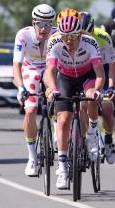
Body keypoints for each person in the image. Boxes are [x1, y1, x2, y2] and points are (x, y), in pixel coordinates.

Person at [44, 13, 105, 189]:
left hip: (87, 76)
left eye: (72, 37)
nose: (68, 41)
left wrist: (96, 90)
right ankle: (62, 167)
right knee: (63, 120)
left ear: (79, 35)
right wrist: (53, 89)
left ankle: (93, 132)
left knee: (90, 99)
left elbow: (100, 73)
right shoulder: (55, 42)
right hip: (65, 78)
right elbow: (50, 70)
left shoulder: (90, 43)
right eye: (65, 36)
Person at [13, 4, 56, 176]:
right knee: (30, 110)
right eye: (40, 24)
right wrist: (20, 86)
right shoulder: (23, 35)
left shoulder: (56, 34)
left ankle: (58, 136)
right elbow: (16, 64)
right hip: (29, 70)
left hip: (49, 69)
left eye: (48, 24)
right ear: (33, 23)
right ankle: (32, 157)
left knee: (58, 102)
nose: (44, 29)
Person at [79, 12, 115, 164]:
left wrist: (112, 87)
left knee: (107, 108)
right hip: (83, 75)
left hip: (102, 75)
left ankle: (108, 139)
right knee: (82, 106)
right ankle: (83, 141)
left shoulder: (103, 37)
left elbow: (113, 66)